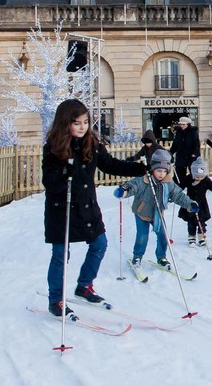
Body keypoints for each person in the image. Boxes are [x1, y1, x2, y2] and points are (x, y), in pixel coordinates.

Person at [41, 99, 147, 316]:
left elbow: (110, 165)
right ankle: (55, 300)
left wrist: (139, 168)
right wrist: (64, 175)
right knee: (61, 254)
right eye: (76, 123)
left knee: (99, 244)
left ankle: (84, 286)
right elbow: (49, 182)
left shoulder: (93, 144)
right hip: (63, 209)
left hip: (87, 206)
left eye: (86, 122)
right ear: (65, 123)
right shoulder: (53, 149)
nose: (82, 127)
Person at [113, 149, 196, 272]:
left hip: (157, 214)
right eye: (158, 171)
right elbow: (132, 186)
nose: (161, 174)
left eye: (164, 171)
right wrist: (124, 191)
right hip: (142, 213)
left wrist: (190, 204)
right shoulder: (143, 181)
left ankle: (161, 257)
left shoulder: (169, 183)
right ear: (152, 169)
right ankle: (137, 257)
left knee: (163, 236)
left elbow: (179, 196)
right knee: (142, 237)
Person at [181, 159, 212, 247]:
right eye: (197, 177)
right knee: (191, 222)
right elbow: (180, 187)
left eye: (201, 177)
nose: (199, 178)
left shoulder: (206, 180)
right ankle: (191, 237)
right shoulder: (188, 179)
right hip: (190, 204)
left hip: (202, 204)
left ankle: (201, 237)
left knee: (201, 222)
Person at [171, 116, 200, 187]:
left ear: (188, 124)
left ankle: (195, 185)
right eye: (181, 124)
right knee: (179, 171)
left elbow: (196, 143)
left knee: (193, 170)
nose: (182, 126)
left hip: (191, 155)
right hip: (181, 155)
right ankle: (179, 186)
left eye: (184, 124)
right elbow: (175, 143)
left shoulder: (193, 132)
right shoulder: (178, 132)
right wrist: (170, 152)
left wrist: (195, 153)